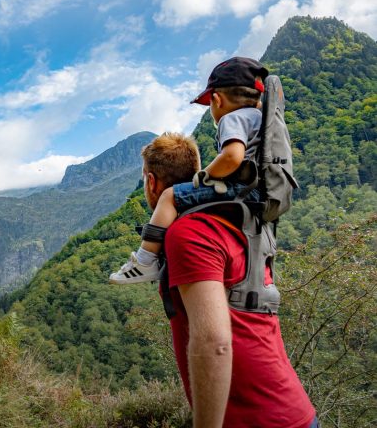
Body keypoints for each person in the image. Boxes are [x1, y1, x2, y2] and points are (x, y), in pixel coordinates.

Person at [132, 132, 317, 428]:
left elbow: (213, 342)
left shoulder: (188, 233)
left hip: (257, 420)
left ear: (151, 182)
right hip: (288, 410)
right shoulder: (230, 222)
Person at [110, 57, 268, 284]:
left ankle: (145, 260)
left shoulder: (231, 119)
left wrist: (206, 175)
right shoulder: (261, 119)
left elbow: (233, 156)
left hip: (243, 189)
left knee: (170, 196)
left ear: (216, 99)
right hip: (259, 193)